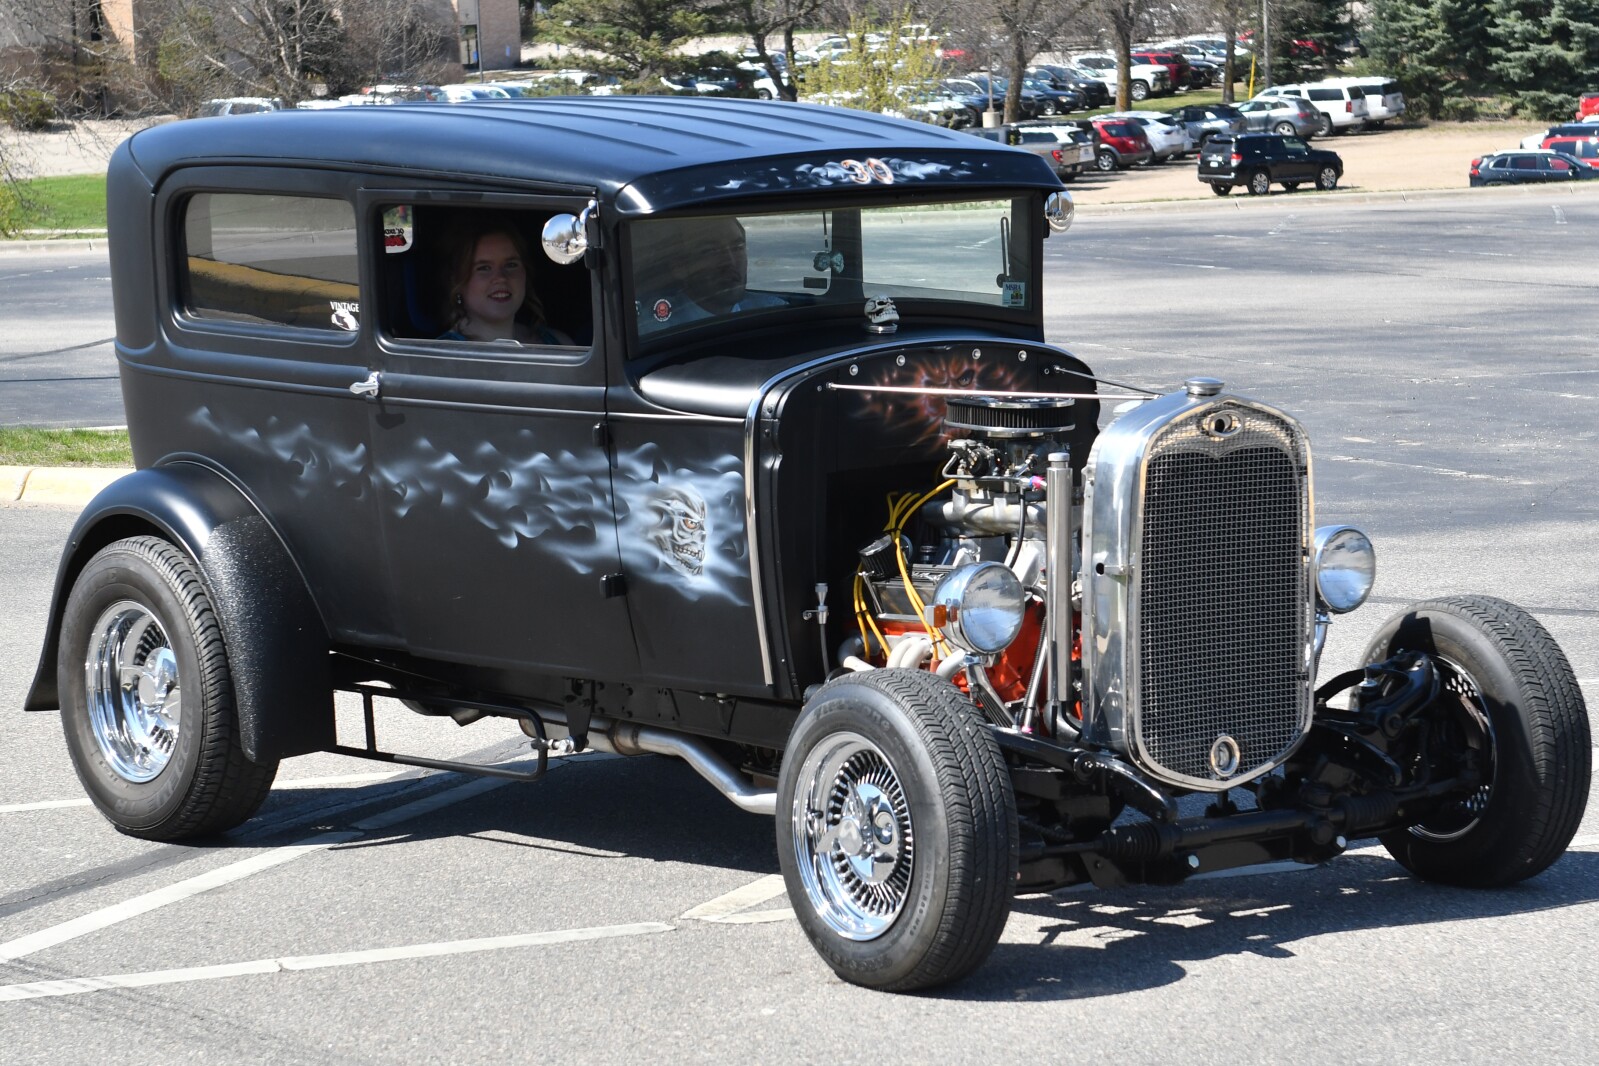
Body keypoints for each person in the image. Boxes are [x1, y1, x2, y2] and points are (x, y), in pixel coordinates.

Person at [634, 214, 785, 335]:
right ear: (679, 267)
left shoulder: (772, 311)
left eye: (738, 247)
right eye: (710, 251)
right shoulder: (657, 331)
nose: (730, 262)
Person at [439, 221, 573, 344]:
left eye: (511, 265)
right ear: (456, 280)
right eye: (484, 268)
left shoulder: (560, 344)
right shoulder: (439, 358)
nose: (501, 277)